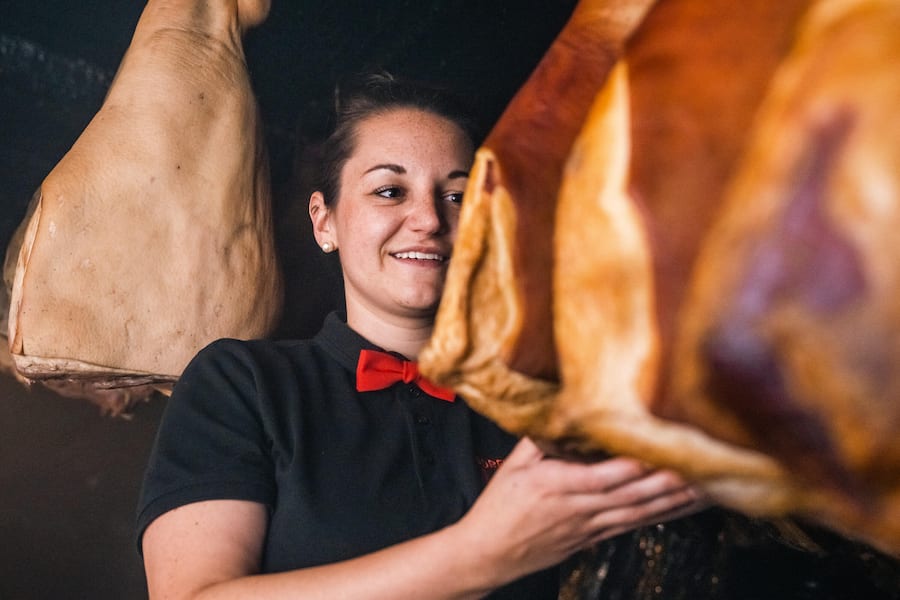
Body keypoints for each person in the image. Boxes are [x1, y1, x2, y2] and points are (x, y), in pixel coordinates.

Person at [136, 73, 705, 599]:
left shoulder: (542, 407)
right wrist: (479, 554)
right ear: (324, 220)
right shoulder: (245, 384)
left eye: (456, 195)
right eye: (390, 191)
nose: (430, 219)